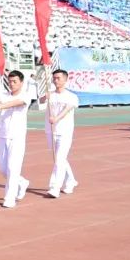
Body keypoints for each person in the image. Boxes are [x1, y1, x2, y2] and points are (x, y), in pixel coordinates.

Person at [0, 70, 31, 208]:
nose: (12, 84)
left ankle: (9, 197)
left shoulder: (26, 96)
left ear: (21, 82)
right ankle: (22, 182)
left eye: (15, 82)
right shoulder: (4, 95)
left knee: (13, 168)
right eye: (10, 81)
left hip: (17, 137)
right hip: (2, 134)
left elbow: (15, 103)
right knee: (3, 169)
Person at [46, 69, 80, 198]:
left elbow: (66, 110)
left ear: (65, 80)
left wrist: (56, 118)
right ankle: (71, 180)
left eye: (58, 78)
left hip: (64, 131)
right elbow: (42, 100)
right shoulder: (50, 94)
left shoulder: (71, 96)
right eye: (54, 78)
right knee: (59, 159)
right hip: (50, 131)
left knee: (59, 159)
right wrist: (45, 96)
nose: (56, 80)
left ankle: (55, 187)